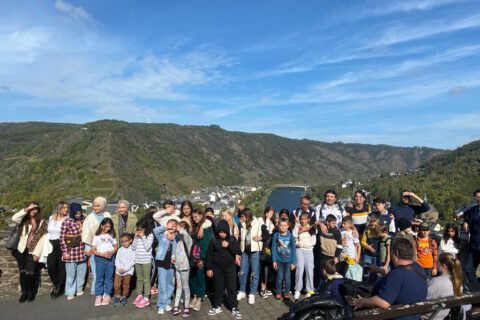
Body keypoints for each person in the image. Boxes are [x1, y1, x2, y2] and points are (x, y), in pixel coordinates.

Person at [352, 238, 428, 320]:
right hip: (413, 316)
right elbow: (401, 282)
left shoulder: (398, 274)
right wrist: (381, 271)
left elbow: (383, 303)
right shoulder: (418, 268)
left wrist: (362, 302)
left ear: (396, 254)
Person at [11, 202, 49, 303]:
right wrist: (26, 209)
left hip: (32, 251)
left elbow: (43, 239)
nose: (34, 210)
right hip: (21, 250)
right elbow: (14, 218)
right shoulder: (23, 220)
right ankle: (24, 292)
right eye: (32, 208)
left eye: (36, 208)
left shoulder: (42, 222)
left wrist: (37, 253)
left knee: (31, 272)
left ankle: (31, 292)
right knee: (22, 272)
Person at [205, 220, 242, 319]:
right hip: (217, 268)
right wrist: (209, 268)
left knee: (232, 288)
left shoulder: (232, 239)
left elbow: (238, 251)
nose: (222, 234)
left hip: (230, 267)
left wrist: (228, 245)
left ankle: (234, 307)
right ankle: (217, 306)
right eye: (220, 232)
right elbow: (209, 255)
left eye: (224, 232)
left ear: (227, 231)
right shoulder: (214, 240)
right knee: (218, 288)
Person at [81, 197, 112, 295]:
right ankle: (96, 289)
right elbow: (86, 233)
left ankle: (105, 289)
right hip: (93, 247)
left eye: (98, 205)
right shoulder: (90, 217)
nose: (95, 207)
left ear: (103, 205)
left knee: (106, 268)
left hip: (106, 246)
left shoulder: (107, 214)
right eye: (94, 205)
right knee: (96, 269)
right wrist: (87, 248)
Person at [60, 202, 87, 300]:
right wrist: (65, 252)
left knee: (81, 272)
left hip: (82, 251)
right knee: (71, 274)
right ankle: (70, 292)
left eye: (80, 213)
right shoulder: (67, 221)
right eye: (76, 213)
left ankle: (79, 289)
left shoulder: (84, 220)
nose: (78, 215)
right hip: (71, 252)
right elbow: (62, 238)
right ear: (72, 212)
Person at [237, 208, 263, 305]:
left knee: (254, 273)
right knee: (243, 272)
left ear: (247, 216)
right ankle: (242, 291)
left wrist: (260, 238)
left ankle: (252, 293)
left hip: (255, 251)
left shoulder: (258, 222)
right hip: (245, 252)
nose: (241, 218)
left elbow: (266, 234)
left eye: (243, 216)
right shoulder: (242, 225)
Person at [189, 209, 213, 312]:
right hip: (193, 256)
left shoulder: (207, 228)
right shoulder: (195, 227)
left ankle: (199, 298)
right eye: (193, 217)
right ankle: (195, 295)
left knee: (200, 277)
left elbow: (206, 244)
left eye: (196, 217)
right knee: (192, 276)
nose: (194, 219)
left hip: (201, 257)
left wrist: (202, 259)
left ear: (201, 215)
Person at [427, 253, 463, 320]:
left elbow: (423, 299)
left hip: (430, 316)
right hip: (444, 315)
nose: (435, 264)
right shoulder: (458, 282)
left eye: (437, 262)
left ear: (443, 266)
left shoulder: (437, 282)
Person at [153, 219, 178, 315]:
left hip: (171, 264)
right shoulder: (162, 235)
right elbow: (155, 231)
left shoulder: (177, 237)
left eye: (174, 225)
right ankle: (161, 305)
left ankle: (167, 302)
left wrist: (173, 239)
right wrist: (166, 228)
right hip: (161, 264)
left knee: (170, 284)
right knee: (162, 285)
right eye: (171, 224)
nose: (172, 226)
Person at [91, 217, 118, 306]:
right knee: (99, 278)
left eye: (109, 227)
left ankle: (107, 294)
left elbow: (116, 246)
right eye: (105, 226)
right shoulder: (96, 236)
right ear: (101, 225)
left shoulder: (112, 235)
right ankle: (98, 295)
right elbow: (93, 250)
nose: (107, 228)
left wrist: (112, 252)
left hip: (110, 259)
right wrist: (102, 254)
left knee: (109, 278)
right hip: (100, 259)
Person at [47, 201, 69, 299]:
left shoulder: (68, 219)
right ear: (59, 208)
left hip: (62, 244)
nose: (66, 209)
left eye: (67, 208)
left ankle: (60, 287)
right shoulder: (51, 218)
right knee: (51, 266)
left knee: (61, 266)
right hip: (51, 244)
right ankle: (55, 284)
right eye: (64, 207)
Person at [132, 217, 155, 308]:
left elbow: (147, 247)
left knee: (146, 279)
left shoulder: (150, 235)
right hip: (137, 260)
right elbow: (133, 247)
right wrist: (136, 237)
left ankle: (146, 297)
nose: (139, 230)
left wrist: (143, 237)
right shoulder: (137, 236)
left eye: (141, 228)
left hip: (146, 261)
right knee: (139, 279)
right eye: (138, 228)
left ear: (146, 227)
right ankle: (139, 294)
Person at [293, 212, 316, 300]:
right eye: (302, 219)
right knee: (299, 269)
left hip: (309, 250)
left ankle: (309, 290)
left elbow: (313, 242)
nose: (303, 221)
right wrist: (298, 243)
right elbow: (294, 236)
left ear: (308, 220)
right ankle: (298, 289)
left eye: (305, 219)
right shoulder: (297, 226)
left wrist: (302, 244)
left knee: (310, 269)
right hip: (299, 250)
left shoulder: (312, 228)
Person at [172, 221, 193, 318]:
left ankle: (187, 306)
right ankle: (176, 305)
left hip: (185, 266)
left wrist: (182, 229)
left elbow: (187, 239)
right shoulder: (177, 237)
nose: (177, 228)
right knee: (179, 286)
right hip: (177, 266)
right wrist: (173, 256)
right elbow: (174, 248)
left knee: (185, 286)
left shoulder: (187, 237)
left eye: (179, 226)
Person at [272, 220, 296, 300]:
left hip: (288, 261)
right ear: (278, 226)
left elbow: (293, 249)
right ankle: (278, 292)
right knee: (279, 277)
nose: (283, 227)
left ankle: (286, 293)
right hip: (279, 260)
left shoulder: (290, 236)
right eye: (281, 225)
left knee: (287, 278)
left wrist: (293, 262)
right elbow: (273, 248)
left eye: (285, 225)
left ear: (288, 226)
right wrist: (274, 260)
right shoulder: (276, 235)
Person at [462, 189, 480, 283]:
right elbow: (466, 216)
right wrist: (465, 222)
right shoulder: (473, 210)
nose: (479, 199)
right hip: (474, 245)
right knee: (468, 269)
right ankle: (477, 289)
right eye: (477, 197)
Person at [113, 233, 134, 307]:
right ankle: (117, 296)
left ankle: (124, 296)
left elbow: (132, 261)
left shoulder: (132, 250)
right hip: (118, 271)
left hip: (128, 271)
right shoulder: (120, 249)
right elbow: (117, 259)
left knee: (126, 285)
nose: (124, 243)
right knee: (116, 285)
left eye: (126, 241)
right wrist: (118, 268)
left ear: (130, 240)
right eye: (122, 241)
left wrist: (125, 269)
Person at [259, 206, 275, 298]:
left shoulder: (272, 222)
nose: (271, 215)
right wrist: (268, 219)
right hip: (264, 247)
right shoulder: (262, 221)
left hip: (270, 246)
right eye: (269, 213)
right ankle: (262, 288)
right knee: (264, 268)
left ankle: (266, 287)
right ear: (266, 213)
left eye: (272, 213)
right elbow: (267, 232)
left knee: (269, 269)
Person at [341, 216, 362, 281]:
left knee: (351, 275)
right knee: (343, 274)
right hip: (342, 256)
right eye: (342, 223)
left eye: (345, 223)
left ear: (350, 224)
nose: (342, 225)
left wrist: (358, 256)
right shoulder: (340, 232)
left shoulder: (353, 233)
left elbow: (359, 246)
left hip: (351, 257)